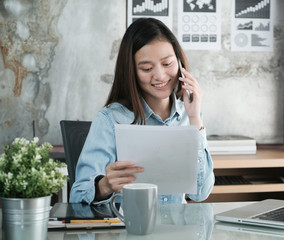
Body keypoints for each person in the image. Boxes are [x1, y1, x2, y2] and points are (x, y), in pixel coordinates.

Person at [70, 18, 214, 205]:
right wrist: (105, 185)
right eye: (146, 68)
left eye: (168, 63)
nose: (160, 76)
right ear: (131, 71)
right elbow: (77, 196)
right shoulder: (110, 119)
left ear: (179, 63)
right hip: (128, 230)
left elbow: (201, 193)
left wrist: (195, 118)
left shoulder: (190, 115)